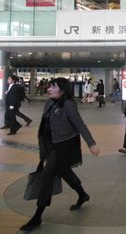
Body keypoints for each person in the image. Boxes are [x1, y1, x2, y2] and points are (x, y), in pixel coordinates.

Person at [19, 78, 100, 232]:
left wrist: (91, 144)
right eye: (50, 86)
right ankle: (83, 195)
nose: (49, 89)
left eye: (53, 87)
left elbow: (80, 125)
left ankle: (37, 217)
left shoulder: (68, 105)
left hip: (63, 146)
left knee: (46, 177)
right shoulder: (50, 102)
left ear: (62, 90)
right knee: (65, 172)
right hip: (49, 146)